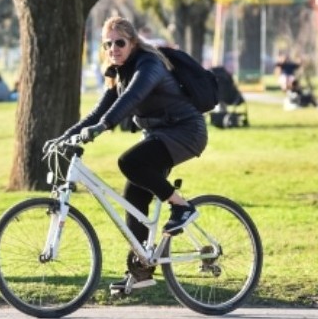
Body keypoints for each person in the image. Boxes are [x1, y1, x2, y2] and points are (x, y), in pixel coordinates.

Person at [45, 16, 207, 293]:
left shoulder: (149, 65)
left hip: (185, 132)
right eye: (108, 44)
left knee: (130, 162)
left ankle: (182, 206)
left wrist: (101, 128)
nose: (113, 48)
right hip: (160, 135)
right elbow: (98, 112)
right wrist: (63, 137)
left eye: (119, 42)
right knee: (134, 195)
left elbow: (129, 99)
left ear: (133, 42)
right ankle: (140, 270)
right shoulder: (118, 73)